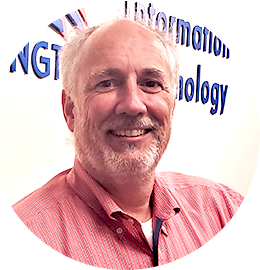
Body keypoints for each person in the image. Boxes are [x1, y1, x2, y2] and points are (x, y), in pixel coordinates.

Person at [12, 18, 243, 270]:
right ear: (71, 110)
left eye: (151, 83)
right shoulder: (18, 243)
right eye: (107, 83)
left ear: (172, 106)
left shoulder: (226, 211)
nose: (133, 104)